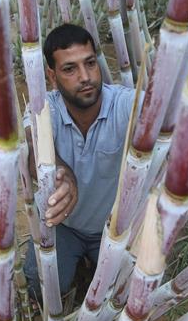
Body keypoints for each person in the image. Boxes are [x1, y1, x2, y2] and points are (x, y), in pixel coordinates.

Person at [23, 23, 135, 299]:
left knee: (126, 291)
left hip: (114, 228)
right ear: (52, 76)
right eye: (70, 69)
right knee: (41, 284)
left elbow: (159, 110)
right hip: (63, 226)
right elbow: (32, 144)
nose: (85, 77)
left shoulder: (122, 103)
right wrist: (60, 172)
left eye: (90, 63)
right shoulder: (43, 107)